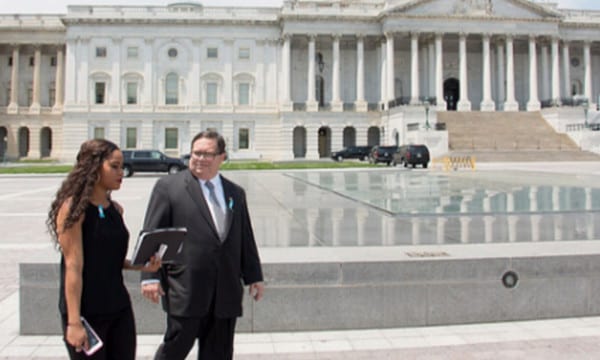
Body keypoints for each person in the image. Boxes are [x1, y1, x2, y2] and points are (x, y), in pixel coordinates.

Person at [141, 130, 264, 360]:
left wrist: (254, 275)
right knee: (173, 351)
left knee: (219, 353)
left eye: (207, 154)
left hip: (225, 291)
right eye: (196, 153)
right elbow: (152, 233)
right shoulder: (168, 187)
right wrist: (150, 277)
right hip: (185, 288)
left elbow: (244, 237)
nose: (199, 158)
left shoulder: (235, 193)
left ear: (222, 157)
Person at [47, 139, 161, 359]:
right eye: (114, 166)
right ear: (93, 167)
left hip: (118, 305)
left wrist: (141, 265)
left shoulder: (114, 210)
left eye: (121, 166)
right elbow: (73, 266)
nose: (121, 172)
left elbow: (111, 260)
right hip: (87, 311)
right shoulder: (73, 209)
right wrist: (74, 321)